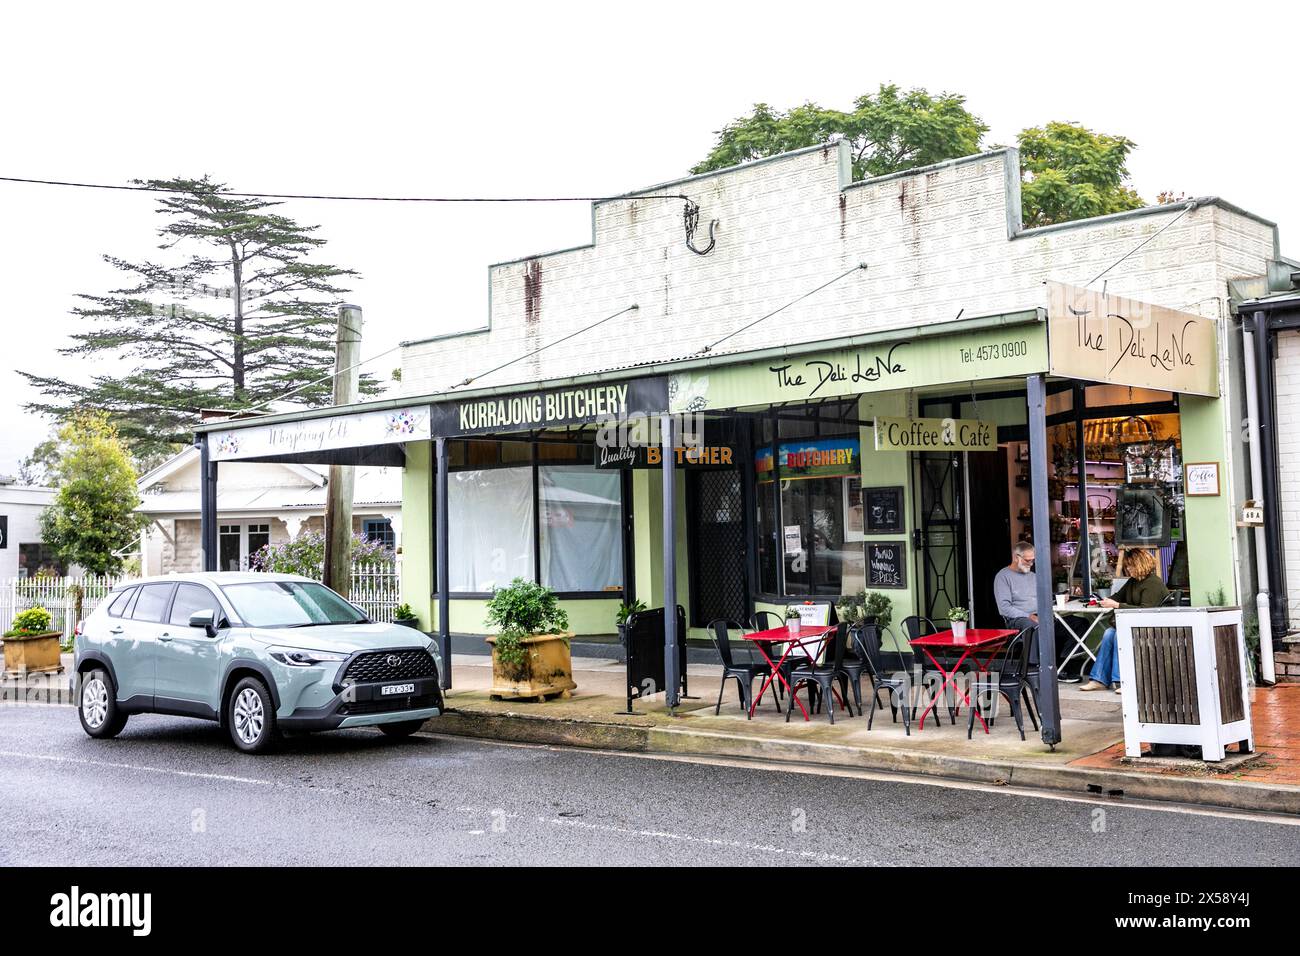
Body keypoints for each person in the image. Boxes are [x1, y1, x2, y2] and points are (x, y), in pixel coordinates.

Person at [1080, 548, 1169, 693]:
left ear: (1141, 564)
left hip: (1151, 627)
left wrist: (1116, 605)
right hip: (1134, 625)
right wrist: (1104, 601)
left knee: (1116, 634)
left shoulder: (1153, 583)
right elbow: (1117, 597)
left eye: (1130, 565)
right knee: (1109, 632)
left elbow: (1146, 610)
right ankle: (1098, 679)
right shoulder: (1133, 582)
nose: (1128, 569)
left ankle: (1122, 680)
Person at [993, 541, 1076, 671]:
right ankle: (1034, 669)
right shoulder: (1003, 577)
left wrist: (1058, 599)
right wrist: (1029, 616)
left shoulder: (1034, 576)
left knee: (1078, 623)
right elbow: (1004, 608)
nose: (1031, 564)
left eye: (1033, 560)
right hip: (1018, 619)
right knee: (1033, 626)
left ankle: (1064, 664)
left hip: (1040, 615)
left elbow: (1044, 599)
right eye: (1027, 560)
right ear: (1016, 557)